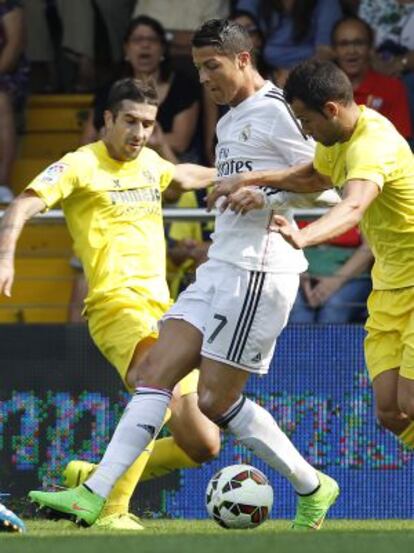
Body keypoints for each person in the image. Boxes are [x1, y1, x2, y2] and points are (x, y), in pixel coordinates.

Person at [27, 20, 340, 530]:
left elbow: (326, 182)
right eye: (197, 69)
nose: (204, 78)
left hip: (257, 271)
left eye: (211, 66)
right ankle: (95, 496)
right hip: (219, 266)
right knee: (155, 375)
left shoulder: (280, 110)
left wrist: (265, 193)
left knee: (215, 401)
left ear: (243, 59)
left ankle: (311, 484)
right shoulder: (228, 120)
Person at [0, 77, 220, 530]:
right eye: (130, 122)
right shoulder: (80, 165)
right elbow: (21, 205)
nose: (139, 133)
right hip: (116, 306)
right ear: (106, 120)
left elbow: (184, 176)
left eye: (148, 124)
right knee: (155, 391)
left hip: (165, 312)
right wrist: (6, 256)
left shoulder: (150, 164)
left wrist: (248, 175)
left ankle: (98, 477)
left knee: (202, 443)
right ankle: (110, 507)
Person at [208, 59, 414, 460]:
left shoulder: (374, 145)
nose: (304, 130)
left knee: (411, 397)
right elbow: (313, 177)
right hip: (390, 288)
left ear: (331, 110)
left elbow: (353, 206)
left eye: (305, 121)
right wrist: (250, 178)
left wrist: (303, 236)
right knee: (391, 411)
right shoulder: (338, 141)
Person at [81, 15, 202, 162]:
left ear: (163, 48)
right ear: (126, 49)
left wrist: (120, 138)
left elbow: (179, 143)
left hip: (171, 162)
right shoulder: (109, 89)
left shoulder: (183, 86)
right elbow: (88, 140)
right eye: (137, 40)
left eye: (152, 40)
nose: (145, 45)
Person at [332, 15, 412, 139]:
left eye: (358, 43)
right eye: (344, 44)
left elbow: (402, 142)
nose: (351, 51)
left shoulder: (392, 88)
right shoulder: (325, 91)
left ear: (370, 48)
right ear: (334, 50)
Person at [236, 0, 343, 86]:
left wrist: (294, 75)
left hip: (312, 77)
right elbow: (237, 27)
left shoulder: (326, 3)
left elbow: (326, 52)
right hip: (263, 72)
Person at [0, 0, 29, 203]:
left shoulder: (8, 7)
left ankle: (2, 183)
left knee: (0, 101)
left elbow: (13, 46)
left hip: (4, 75)